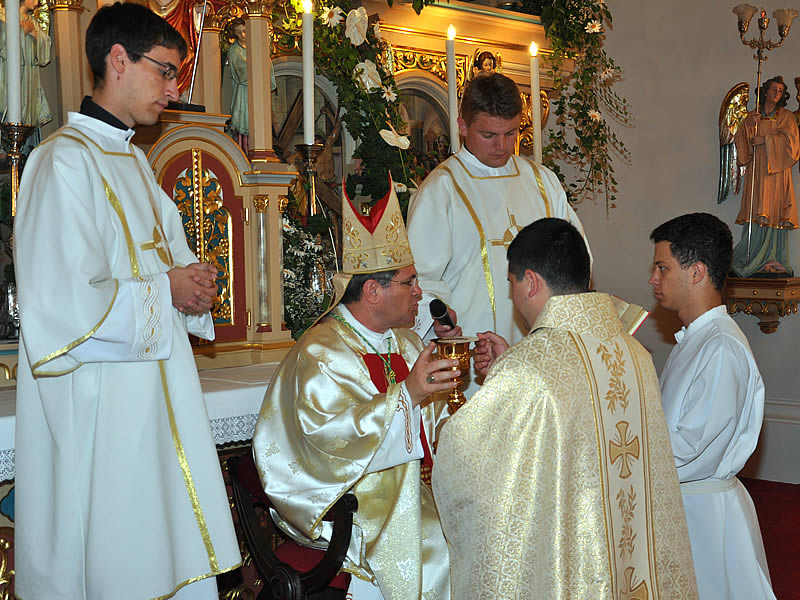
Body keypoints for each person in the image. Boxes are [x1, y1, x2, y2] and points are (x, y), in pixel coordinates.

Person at [13, 3, 241, 598]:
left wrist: (193, 287)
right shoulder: (60, 161)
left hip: (154, 404)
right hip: (101, 411)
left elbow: (167, 268)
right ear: (119, 60)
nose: (174, 89)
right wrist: (168, 289)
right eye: (165, 71)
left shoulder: (135, 161)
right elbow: (62, 306)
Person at [433, 218, 697, 599]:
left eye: (511, 284)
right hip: (628, 559)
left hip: (577, 568)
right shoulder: (635, 354)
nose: (513, 297)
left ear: (531, 282)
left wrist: (444, 430)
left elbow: (473, 467)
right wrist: (510, 366)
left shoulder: (527, 368)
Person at [253, 183, 456, 600]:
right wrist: (408, 395)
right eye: (410, 282)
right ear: (373, 291)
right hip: (348, 500)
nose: (420, 292)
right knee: (440, 550)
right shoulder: (321, 353)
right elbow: (327, 444)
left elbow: (440, 426)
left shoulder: (406, 342)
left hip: (415, 488)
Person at [406, 72, 590, 397]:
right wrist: (438, 323)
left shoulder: (543, 182)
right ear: (463, 127)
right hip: (473, 362)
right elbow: (419, 281)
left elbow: (577, 263)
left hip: (542, 361)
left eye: (511, 133)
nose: (502, 146)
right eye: (489, 134)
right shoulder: (441, 189)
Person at [649, 213, 775, 599]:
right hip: (687, 508)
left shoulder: (720, 348)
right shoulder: (696, 339)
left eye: (662, 268)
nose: (653, 279)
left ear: (697, 272)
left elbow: (689, 449)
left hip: (705, 520)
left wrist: (617, 446)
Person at [733, 75, 800, 276]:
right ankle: (752, 257)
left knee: (773, 209)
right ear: (765, 91)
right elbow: (741, 146)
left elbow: (793, 144)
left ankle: (773, 258)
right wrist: (748, 125)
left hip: (776, 174)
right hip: (756, 172)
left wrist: (766, 140)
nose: (777, 93)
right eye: (773, 89)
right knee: (756, 208)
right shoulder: (753, 116)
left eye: (780, 91)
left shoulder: (786, 116)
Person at [0, 0, 52, 128]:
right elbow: (2, 45)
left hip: (29, 79)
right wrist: (22, 32)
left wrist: (35, 35)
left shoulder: (32, 21)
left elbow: (44, 52)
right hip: (8, 77)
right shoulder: (3, 17)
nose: (37, 2)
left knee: (28, 113)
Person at [227, 17, 248, 153]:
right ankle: (243, 152)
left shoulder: (255, 46)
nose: (243, 35)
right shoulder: (234, 51)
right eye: (239, 32)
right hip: (242, 91)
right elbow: (241, 72)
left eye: (245, 31)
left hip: (256, 90)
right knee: (243, 118)